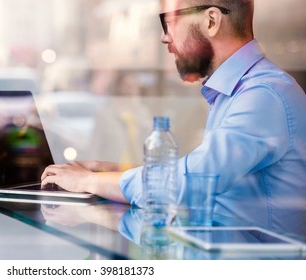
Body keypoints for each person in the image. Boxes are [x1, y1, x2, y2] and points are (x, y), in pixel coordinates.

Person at [41, 0, 306, 235]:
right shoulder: (235, 92)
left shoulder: (264, 95)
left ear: (211, 21)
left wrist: (89, 181)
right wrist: (116, 172)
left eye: (169, 22)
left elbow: (187, 185)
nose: (164, 38)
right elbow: (206, 177)